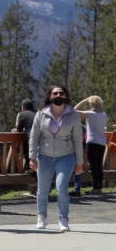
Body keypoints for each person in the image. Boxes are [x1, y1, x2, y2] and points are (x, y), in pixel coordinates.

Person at [30, 85, 85, 231]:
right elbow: (34, 136)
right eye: (55, 93)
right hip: (44, 157)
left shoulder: (73, 115)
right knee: (42, 189)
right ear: (49, 96)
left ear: (66, 96)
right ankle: (41, 217)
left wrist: (79, 162)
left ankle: (63, 219)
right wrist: (32, 157)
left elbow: (78, 140)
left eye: (61, 93)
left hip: (66, 157)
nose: (58, 95)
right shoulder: (41, 114)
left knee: (61, 188)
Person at [75, 96, 109, 195]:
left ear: (91, 104)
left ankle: (95, 188)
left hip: (92, 141)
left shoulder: (90, 114)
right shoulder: (104, 115)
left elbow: (73, 111)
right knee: (99, 166)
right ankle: (99, 187)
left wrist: (83, 100)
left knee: (93, 166)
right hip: (102, 142)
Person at [14, 99, 36, 176]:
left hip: (32, 138)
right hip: (43, 139)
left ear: (23, 107)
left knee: (28, 154)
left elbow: (18, 129)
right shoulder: (38, 113)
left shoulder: (22, 114)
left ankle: (31, 171)